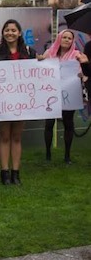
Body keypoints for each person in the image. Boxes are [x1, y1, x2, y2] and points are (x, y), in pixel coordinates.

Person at [0, 19, 36, 185]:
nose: (10, 33)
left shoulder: (29, 51)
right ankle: (4, 172)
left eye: (13, 30)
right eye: (7, 30)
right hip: (3, 100)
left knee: (17, 136)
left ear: (19, 33)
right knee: (5, 136)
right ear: (3, 33)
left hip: (21, 101)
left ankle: (16, 172)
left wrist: (41, 62)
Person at [38, 30, 85, 164]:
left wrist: (81, 72)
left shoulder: (76, 55)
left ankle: (67, 155)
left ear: (72, 41)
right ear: (59, 38)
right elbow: (41, 68)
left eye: (69, 38)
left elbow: (83, 70)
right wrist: (40, 59)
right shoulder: (50, 53)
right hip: (50, 93)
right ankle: (48, 153)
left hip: (69, 94)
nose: (66, 40)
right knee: (49, 123)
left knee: (68, 123)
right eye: (64, 37)